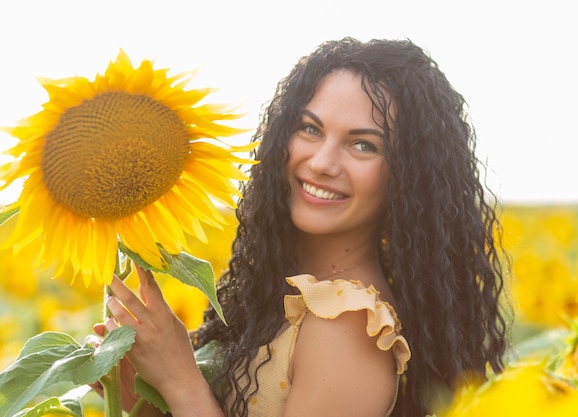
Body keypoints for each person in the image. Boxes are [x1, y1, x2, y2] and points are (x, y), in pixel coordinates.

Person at [90, 37, 510, 417]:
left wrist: (179, 381)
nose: (323, 163)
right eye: (311, 129)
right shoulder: (286, 292)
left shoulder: (350, 328)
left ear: (406, 178)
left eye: (363, 144)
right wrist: (141, 392)